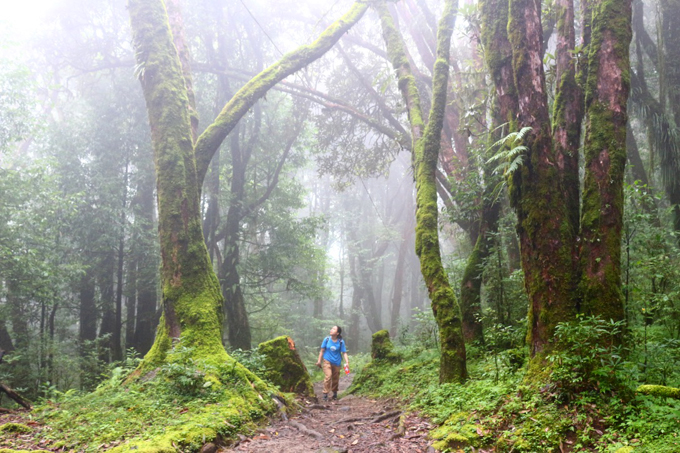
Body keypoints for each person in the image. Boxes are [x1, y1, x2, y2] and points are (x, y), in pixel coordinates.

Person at [316, 325, 349, 401]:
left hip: (337, 362)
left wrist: (347, 362)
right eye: (331, 328)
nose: (331, 330)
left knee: (335, 379)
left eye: (334, 329)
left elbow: (344, 352)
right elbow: (322, 350)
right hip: (327, 360)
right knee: (328, 376)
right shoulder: (326, 339)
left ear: (337, 333)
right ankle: (325, 394)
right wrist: (319, 361)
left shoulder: (341, 342)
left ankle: (334, 393)